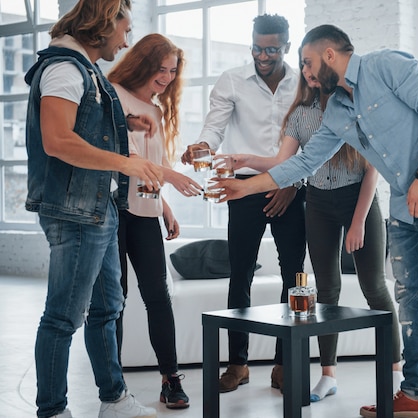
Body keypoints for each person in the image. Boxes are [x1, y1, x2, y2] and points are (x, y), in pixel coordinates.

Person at [210, 24, 418, 418]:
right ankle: (415, 395)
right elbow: (305, 161)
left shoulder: (386, 66)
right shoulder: (339, 110)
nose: (306, 74)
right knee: (411, 301)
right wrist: (246, 187)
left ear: (329, 55)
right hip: (402, 206)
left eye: (308, 64)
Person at [222, 54, 404, 402]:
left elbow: (371, 170)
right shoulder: (300, 114)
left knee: (375, 289)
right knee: (325, 292)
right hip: (319, 203)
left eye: (313, 67)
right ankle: (327, 375)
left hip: (358, 201)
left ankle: (396, 374)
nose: (308, 73)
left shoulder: (354, 109)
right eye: (304, 68)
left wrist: (358, 222)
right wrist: (245, 160)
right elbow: (284, 161)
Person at [24, 1, 163, 417]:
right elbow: (58, 140)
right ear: (104, 23)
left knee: (107, 309)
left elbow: (85, 119)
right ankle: (52, 409)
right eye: (125, 27)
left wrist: (127, 123)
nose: (127, 38)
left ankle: (115, 400)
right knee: (63, 317)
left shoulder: (84, 70)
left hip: (98, 208)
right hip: (76, 212)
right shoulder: (65, 67)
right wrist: (128, 162)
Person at [180, 13, 306, 394]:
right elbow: (214, 129)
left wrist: (291, 181)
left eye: (271, 49)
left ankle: (286, 363)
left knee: (294, 278)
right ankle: (238, 364)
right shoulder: (232, 80)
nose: (262, 56)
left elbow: (312, 140)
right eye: (256, 47)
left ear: (286, 45)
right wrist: (201, 147)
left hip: (291, 185)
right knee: (240, 275)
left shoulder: (304, 84)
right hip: (245, 188)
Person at [108, 33, 202, 409]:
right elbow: (126, 155)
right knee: (115, 300)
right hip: (114, 212)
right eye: (159, 68)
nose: (165, 77)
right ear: (142, 62)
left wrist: (165, 206)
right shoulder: (114, 94)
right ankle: (112, 387)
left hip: (145, 213)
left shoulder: (158, 111)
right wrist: (173, 177)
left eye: (172, 71)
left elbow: (151, 165)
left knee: (157, 298)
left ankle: (170, 378)